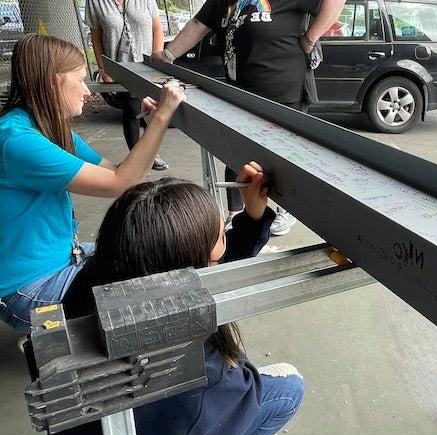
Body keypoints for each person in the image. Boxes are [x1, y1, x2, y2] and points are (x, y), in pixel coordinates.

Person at [44, 166, 304, 435]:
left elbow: (204, 269)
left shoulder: (95, 280)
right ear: (194, 262)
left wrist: (250, 218)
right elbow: (238, 396)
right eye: (221, 233)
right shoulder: (196, 371)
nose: (224, 233)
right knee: (289, 389)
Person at [0, 34, 185, 333]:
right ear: (53, 82)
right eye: (80, 80)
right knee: (145, 292)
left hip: (64, 258)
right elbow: (120, 183)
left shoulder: (47, 126)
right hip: (30, 290)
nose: (87, 91)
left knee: (147, 255)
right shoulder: (17, 141)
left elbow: (120, 171)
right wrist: (163, 117)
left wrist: (152, 126)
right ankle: (52, 332)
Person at [153, 0, 346, 235]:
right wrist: (168, 54)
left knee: (282, 160)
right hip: (241, 91)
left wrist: (310, 37)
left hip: (282, 90)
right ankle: (235, 215)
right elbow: (197, 23)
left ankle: (288, 210)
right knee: (235, 154)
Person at [86, 0, 169, 170]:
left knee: (150, 109)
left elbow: (157, 29)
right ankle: (137, 160)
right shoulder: (95, 2)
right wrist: (103, 68)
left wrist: (157, 57)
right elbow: (96, 37)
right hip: (120, 68)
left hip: (146, 67)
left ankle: (149, 153)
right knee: (132, 109)